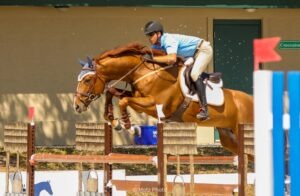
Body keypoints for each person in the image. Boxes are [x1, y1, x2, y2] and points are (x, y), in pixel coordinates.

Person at [143, 20, 213, 120]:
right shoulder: (156, 45)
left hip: (203, 50)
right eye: (148, 36)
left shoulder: (168, 39)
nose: (149, 38)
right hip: (192, 55)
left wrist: (153, 59)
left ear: (158, 34)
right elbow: (152, 56)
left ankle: (204, 110)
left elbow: (171, 59)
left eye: (151, 35)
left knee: (194, 74)